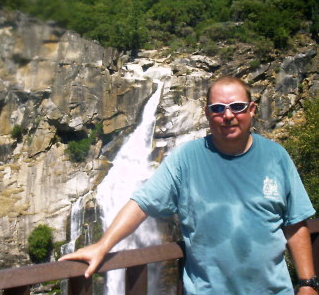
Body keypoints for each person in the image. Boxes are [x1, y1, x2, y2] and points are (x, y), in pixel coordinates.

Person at [59, 76, 318, 294]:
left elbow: (294, 222)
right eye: (218, 108)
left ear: (251, 110)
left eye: (237, 107)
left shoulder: (276, 157)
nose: (227, 115)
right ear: (207, 114)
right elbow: (141, 204)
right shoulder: (186, 158)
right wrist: (102, 246)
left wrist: (307, 283)